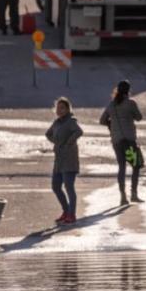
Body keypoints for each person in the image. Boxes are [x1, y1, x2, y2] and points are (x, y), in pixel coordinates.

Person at [99, 80, 143, 205]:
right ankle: (133, 194)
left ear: (117, 90)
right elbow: (139, 117)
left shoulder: (111, 104)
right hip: (129, 141)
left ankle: (123, 196)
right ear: (128, 91)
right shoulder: (131, 103)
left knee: (122, 167)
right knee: (136, 165)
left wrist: (111, 124)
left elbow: (102, 120)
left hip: (117, 141)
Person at [45, 96, 83, 225]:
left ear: (68, 109)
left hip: (69, 160)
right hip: (59, 160)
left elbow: (79, 132)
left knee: (69, 187)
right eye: (58, 108)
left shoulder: (71, 121)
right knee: (55, 186)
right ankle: (66, 211)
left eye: (62, 108)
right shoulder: (57, 122)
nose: (59, 110)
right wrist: (57, 143)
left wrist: (68, 143)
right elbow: (48, 134)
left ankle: (71, 215)